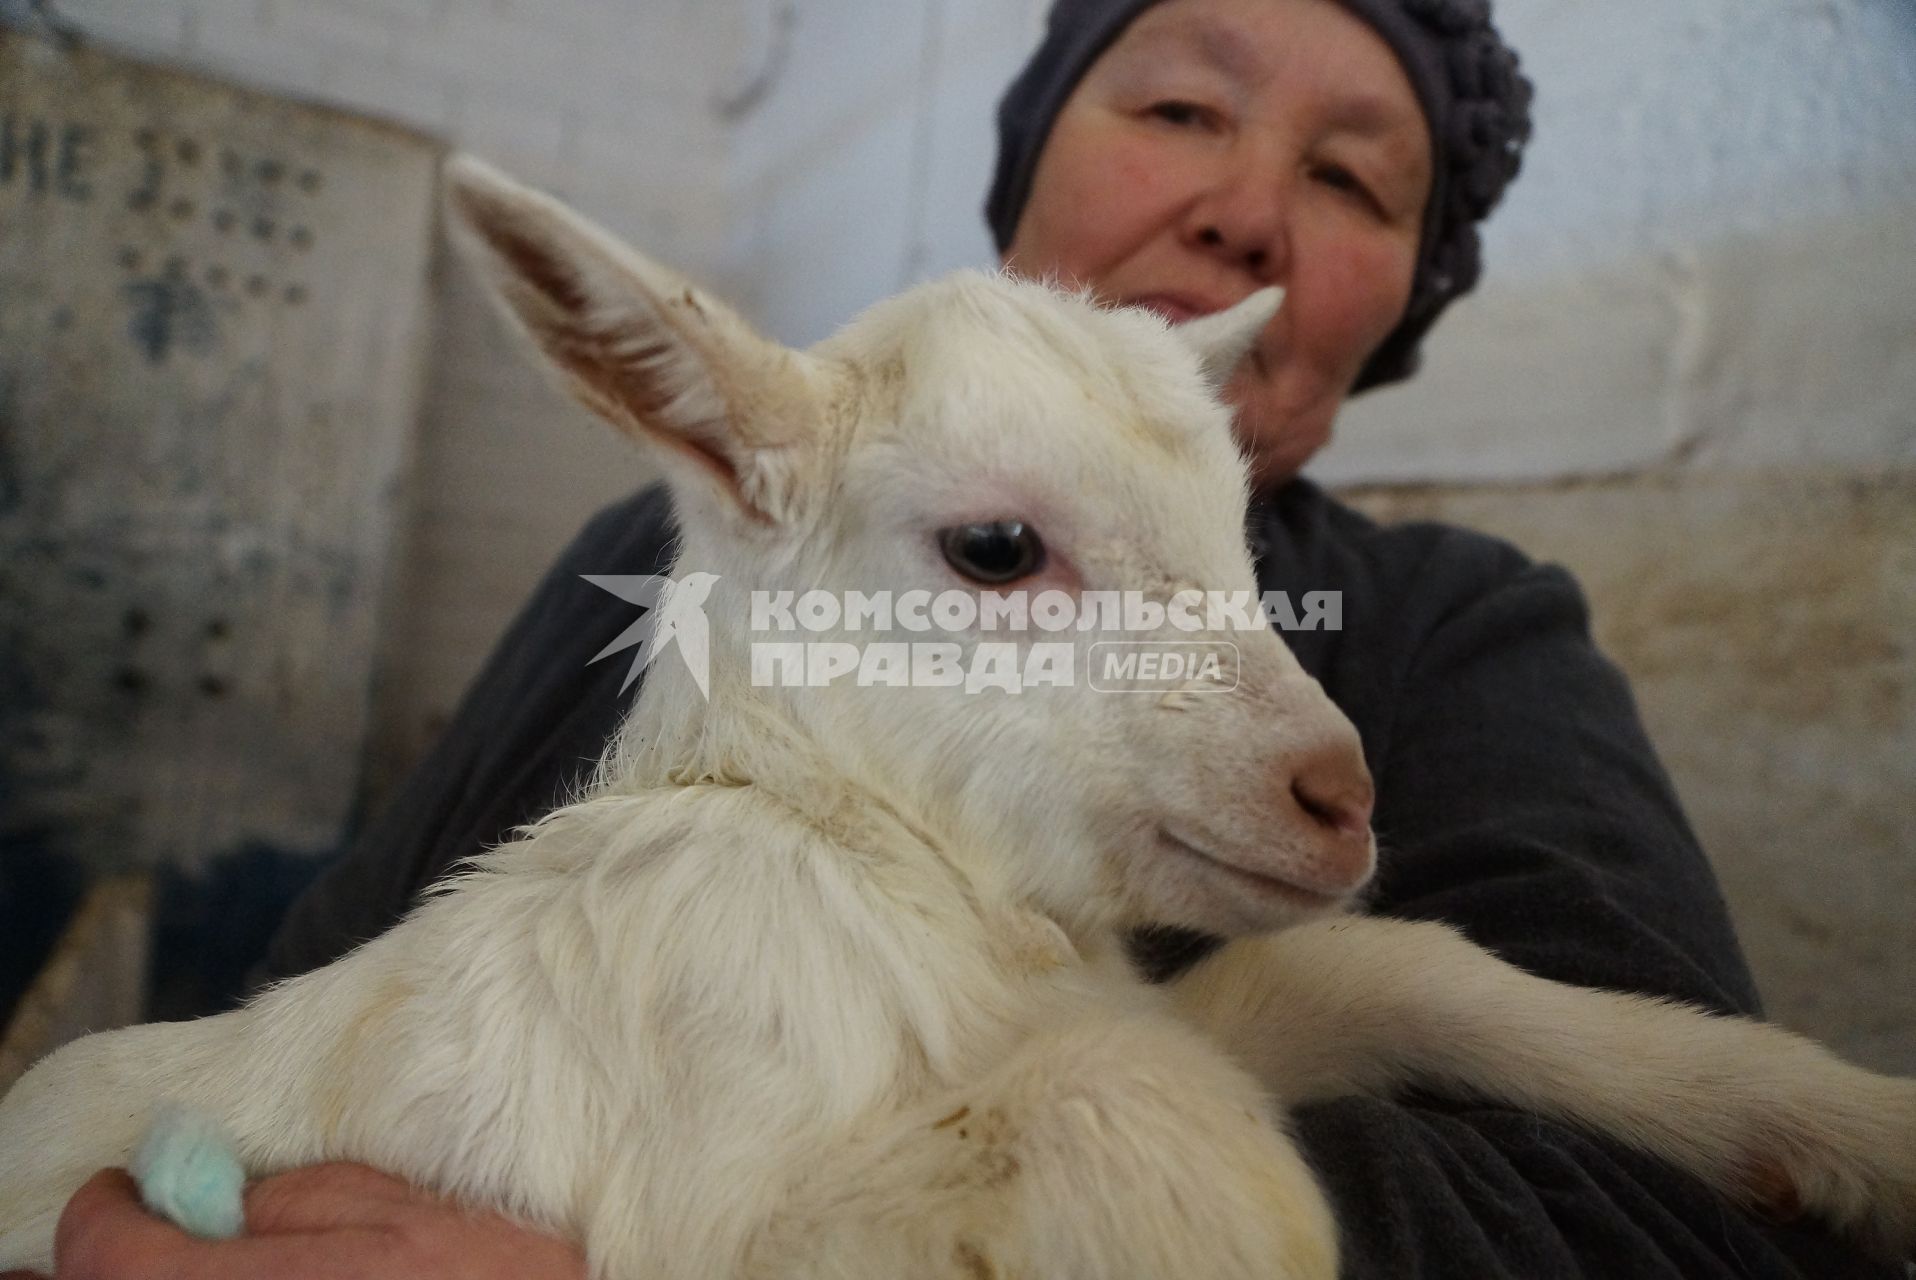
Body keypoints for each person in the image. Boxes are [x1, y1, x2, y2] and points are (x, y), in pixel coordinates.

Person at [16, 0, 1903, 1276]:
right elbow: (347, 948)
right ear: (1032, 159)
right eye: (1180, 105)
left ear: (1399, 297)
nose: (1249, 206)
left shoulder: (1462, 631)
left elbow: (1657, 1230)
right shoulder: (655, 559)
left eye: (1353, 180)